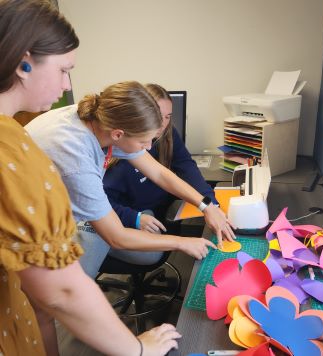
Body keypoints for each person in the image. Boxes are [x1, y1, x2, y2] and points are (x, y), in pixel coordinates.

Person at [0, 1, 180, 355]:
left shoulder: (18, 132)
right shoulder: (13, 149)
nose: (68, 83)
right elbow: (61, 290)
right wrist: (137, 348)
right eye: (65, 69)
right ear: (23, 62)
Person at [26, 81, 235, 278]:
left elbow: (159, 173)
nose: (149, 148)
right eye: (144, 141)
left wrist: (206, 205)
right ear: (118, 135)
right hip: (30, 221)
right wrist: (182, 242)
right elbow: (115, 236)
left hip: (53, 204)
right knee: (68, 292)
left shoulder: (102, 121)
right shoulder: (76, 157)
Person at [104, 83, 220, 264]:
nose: (163, 124)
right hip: (125, 215)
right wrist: (134, 218)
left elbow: (181, 168)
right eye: (158, 116)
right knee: (152, 254)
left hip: (153, 210)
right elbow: (101, 205)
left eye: (168, 117)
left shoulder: (166, 133)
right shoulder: (123, 150)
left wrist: (210, 204)